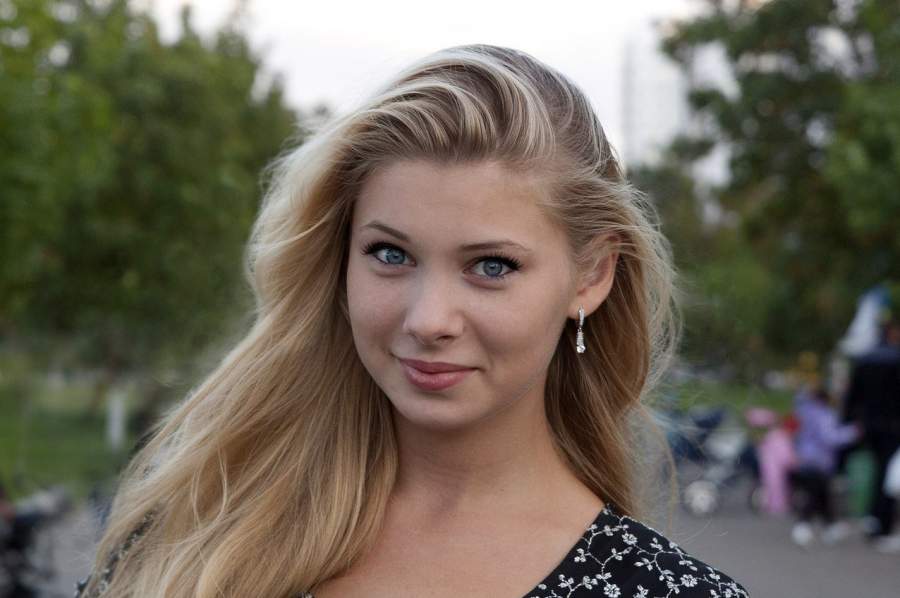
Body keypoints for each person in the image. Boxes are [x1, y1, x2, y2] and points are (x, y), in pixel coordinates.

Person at [75, 45, 749, 597]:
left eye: (491, 266)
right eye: (390, 255)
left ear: (592, 275)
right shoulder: (192, 542)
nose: (428, 320)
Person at [841, 313, 900, 552]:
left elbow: (852, 396)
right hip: (893, 426)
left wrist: (849, 420)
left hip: (869, 426)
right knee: (888, 475)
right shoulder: (895, 359)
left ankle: (873, 519)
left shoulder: (865, 359)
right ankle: (880, 523)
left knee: (878, 471)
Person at [787, 385, 860, 547]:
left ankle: (830, 526)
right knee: (816, 494)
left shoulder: (805, 411)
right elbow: (830, 437)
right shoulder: (825, 415)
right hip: (820, 460)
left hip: (804, 458)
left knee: (822, 494)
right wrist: (852, 432)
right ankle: (803, 525)